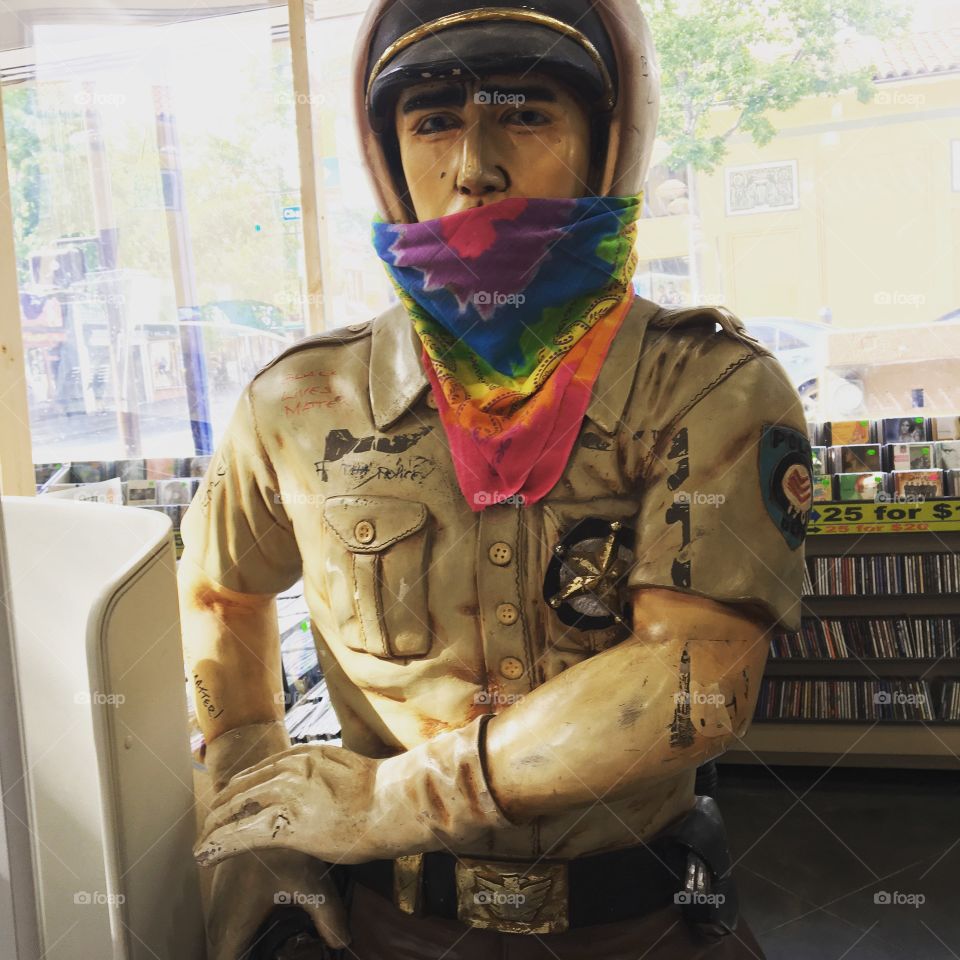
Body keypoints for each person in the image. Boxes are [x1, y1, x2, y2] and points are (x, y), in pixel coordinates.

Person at [180, 2, 813, 958]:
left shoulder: (711, 385)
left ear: (606, 144)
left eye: (526, 113)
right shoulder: (301, 403)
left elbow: (700, 676)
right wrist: (260, 827)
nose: (474, 165)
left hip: (638, 927)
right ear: (387, 155)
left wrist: (399, 798)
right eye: (432, 119)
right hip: (386, 929)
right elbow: (218, 593)